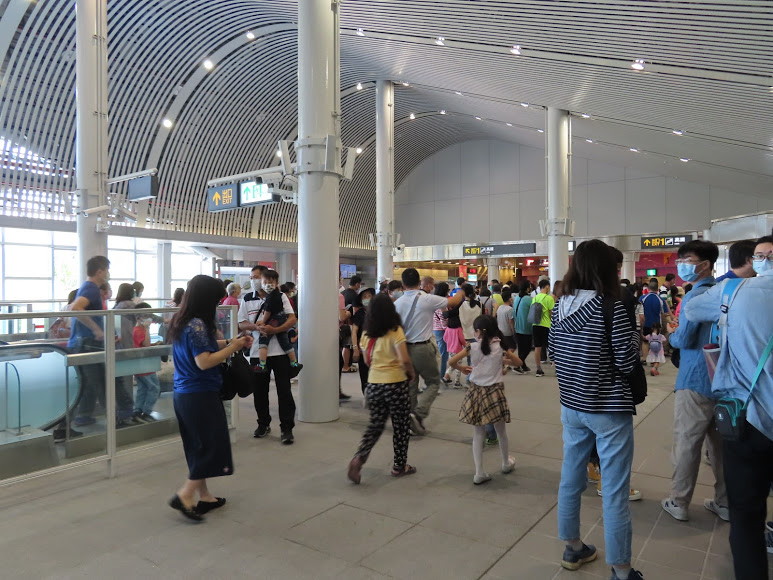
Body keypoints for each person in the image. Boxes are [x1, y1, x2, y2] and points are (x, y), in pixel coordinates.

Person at [548, 239, 642, 580]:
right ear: (606, 269)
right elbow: (627, 360)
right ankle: (622, 570)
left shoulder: (560, 305)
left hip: (571, 406)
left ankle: (573, 546)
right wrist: (636, 336)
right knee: (614, 491)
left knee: (571, 477)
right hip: (607, 409)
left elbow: (553, 353)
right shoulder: (610, 307)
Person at [683, 235, 773, 579]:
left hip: (747, 418)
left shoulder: (733, 291)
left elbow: (692, 309)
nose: (762, 260)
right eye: (759, 255)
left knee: (746, 516)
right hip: (750, 420)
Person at [166, 275, 253, 521]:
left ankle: (204, 496)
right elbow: (204, 361)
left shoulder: (182, 321)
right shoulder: (197, 325)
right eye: (215, 301)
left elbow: (205, 346)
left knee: (199, 446)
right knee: (212, 447)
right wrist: (233, 348)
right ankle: (185, 494)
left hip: (184, 395)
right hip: (200, 395)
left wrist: (230, 341)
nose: (217, 306)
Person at [661, 240, 727, 523]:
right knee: (721, 448)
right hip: (723, 379)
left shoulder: (694, 296)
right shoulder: (724, 292)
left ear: (706, 264)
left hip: (695, 377)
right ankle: (725, 503)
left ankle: (679, 501)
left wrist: (671, 335)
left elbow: (685, 339)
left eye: (687, 260)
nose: (681, 266)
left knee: (687, 442)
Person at [347, 293, 417, 483]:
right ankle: (399, 466)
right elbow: (404, 359)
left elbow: (367, 361)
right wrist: (410, 373)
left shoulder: (366, 335)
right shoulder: (395, 331)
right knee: (401, 427)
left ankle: (359, 458)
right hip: (396, 384)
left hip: (374, 384)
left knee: (375, 425)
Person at [451, 314, 522, 484]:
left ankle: (479, 472)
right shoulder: (500, 346)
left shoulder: (472, 347)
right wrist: (503, 362)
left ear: (478, 332)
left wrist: (461, 368)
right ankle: (505, 463)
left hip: (476, 392)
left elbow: (452, 361)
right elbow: (518, 363)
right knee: (501, 431)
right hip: (495, 393)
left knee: (478, 433)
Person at [394, 268, 465, 435]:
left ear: (403, 284)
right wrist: (462, 291)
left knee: (410, 386)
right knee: (433, 382)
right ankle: (418, 415)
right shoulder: (427, 298)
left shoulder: (397, 304)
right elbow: (454, 302)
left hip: (404, 349)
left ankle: (410, 422)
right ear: (419, 283)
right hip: (422, 348)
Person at [238, 265, 299, 444]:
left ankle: (287, 428)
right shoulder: (247, 298)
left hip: (280, 352)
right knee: (259, 392)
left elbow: (292, 318)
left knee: (284, 391)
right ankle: (263, 424)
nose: (254, 281)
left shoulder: (280, 296)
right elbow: (241, 323)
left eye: (257, 277)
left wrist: (275, 330)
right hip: (257, 352)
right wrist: (256, 327)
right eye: (252, 277)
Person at [69, 256, 111, 431]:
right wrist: (96, 329)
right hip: (88, 343)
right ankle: (111, 417)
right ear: (100, 271)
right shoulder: (91, 289)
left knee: (90, 382)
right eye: (107, 270)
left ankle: (84, 416)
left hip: (83, 342)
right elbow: (75, 308)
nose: (108, 274)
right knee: (97, 381)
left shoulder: (87, 287)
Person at [253, 270, 302, 376]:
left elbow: (268, 311)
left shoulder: (271, 296)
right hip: (282, 319)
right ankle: (294, 363)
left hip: (274, 320)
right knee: (285, 342)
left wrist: (263, 322)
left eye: (270, 282)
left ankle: (262, 364)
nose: (267, 285)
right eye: (265, 282)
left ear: (276, 283)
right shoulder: (278, 294)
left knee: (263, 340)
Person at [132, 302, 161, 422]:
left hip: (140, 365)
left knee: (143, 389)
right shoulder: (140, 330)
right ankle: (146, 412)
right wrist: (147, 329)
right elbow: (146, 344)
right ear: (139, 318)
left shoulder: (137, 329)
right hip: (145, 366)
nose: (149, 318)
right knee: (154, 388)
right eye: (146, 315)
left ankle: (137, 410)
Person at [350, 287, 375, 394]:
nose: (367, 298)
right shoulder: (359, 314)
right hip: (363, 349)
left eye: (369, 295)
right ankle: (367, 395)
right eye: (364, 296)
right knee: (364, 374)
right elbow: (354, 331)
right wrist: (355, 348)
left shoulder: (378, 312)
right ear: (361, 300)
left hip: (377, 349)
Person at [443, 290, 466, 387]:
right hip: (458, 349)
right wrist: (466, 345)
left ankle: (446, 376)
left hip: (450, 349)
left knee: (452, 364)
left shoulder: (448, 328)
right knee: (458, 366)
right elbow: (462, 340)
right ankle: (457, 382)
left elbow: (445, 338)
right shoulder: (458, 329)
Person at [532, 279, 555, 377]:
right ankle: (556, 369)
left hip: (535, 324)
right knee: (551, 347)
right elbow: (552, 313)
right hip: (546, 325)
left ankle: (538, 369)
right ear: (547, 286)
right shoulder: (549, 298)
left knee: (537, 348)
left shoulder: (535, 298)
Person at [341, 275, 362, 372]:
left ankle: (345, 364)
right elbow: (355, 311)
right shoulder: (354, 295)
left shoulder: (343, 293)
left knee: (343, 345)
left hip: (340, 324)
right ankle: (346, 366)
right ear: (357, 284)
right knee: (348, 344)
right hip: (349, 323)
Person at [513, 280, 533, 373]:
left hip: (517, 325)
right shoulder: (529, 299)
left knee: (521, 348)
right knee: (528, 348)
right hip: (526, 326)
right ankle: (518, 365)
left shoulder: (517, 298)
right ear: (528, 288)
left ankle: (523, 366)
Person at [432, 282, 451, 385]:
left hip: (435, 329)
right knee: (443, 355)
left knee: (439, 354)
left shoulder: (433, 302)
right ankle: (442, 376)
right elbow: (444, 321)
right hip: (442, 331)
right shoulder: (442, 304)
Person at [496, 288, 516, 354]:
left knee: (505, 347)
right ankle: (505, 357)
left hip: (500, 330)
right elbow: (511, 321)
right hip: (507, 331)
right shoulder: (510, 309)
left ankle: (504, 357)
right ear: (510, 298)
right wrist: (513, 330)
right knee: (512, 347)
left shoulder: (500, 307)